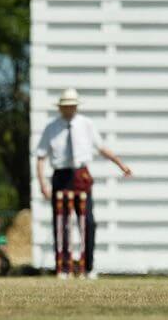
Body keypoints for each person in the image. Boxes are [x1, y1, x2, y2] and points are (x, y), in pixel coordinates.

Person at [36, 88, 133, 279]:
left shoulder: (86, 124)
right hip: (61, 176)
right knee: (61, 222)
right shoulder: (51, 128)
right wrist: (42, 183)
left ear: (76, 106)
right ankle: (63, 267)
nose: (69, 109)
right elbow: (40, 157)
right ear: (60, 108)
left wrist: (120, 164)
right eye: (65, 106)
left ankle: (88, 266)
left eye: (72, 106)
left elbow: (101, 148)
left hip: (81, 175)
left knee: (88, 222)